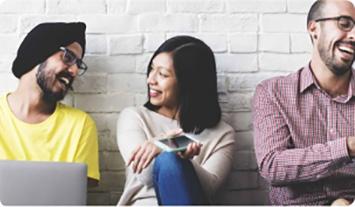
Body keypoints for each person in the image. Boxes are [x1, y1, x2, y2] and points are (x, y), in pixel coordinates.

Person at [252, 0, 355, 205]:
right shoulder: (272, 93)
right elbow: (273, 166)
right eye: (344, 23)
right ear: (313, 28)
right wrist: (348, 147)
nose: (354, 35)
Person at [116, 36, 235, 205]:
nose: (151, 80)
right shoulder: (134, 117)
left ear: (188, 83)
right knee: (168, 160)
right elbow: (144, 174)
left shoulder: (222, 134)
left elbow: (210, 188)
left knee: (170, 160)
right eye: (151, 69)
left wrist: (174, 149)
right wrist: (172, 144)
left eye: (163, 74)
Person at [0, 22, 100, 184]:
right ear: (38, 54)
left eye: (78, 64)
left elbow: (75, 196)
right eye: (68, 57)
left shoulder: (80, 125)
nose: (74, 71)